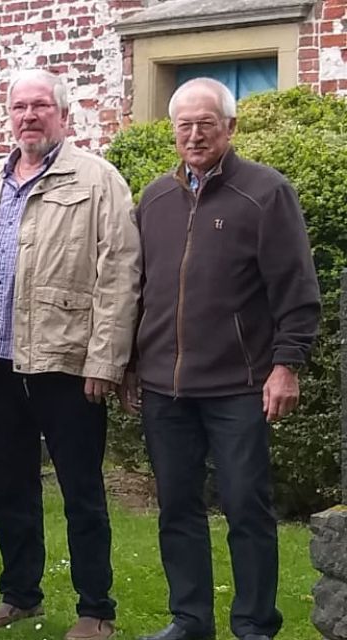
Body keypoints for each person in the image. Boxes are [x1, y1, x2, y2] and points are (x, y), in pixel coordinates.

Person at [0, 69, 140, 640]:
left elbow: (120, 276)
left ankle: (95, 608)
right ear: (10, 116)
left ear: (62, 115)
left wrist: (106, 360)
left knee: (81, 490)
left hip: (67, 365)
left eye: (40, 107)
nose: (29, 116)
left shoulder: (98, 181)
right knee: (9, 488)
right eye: (20, 107)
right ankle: (19, 595)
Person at [123, 78, 320, 640]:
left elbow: (296, 289)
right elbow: (141, 290)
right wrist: (132, 364)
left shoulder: (266, 192)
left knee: (245, 508)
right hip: (166, 387)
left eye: (205, 122)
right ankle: (190, 619)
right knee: (177, 510)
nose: (193, 133)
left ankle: (255, 624)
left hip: (240, 384)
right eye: (183, 124)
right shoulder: (155, 198)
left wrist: (286, 365)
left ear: (230, 128)